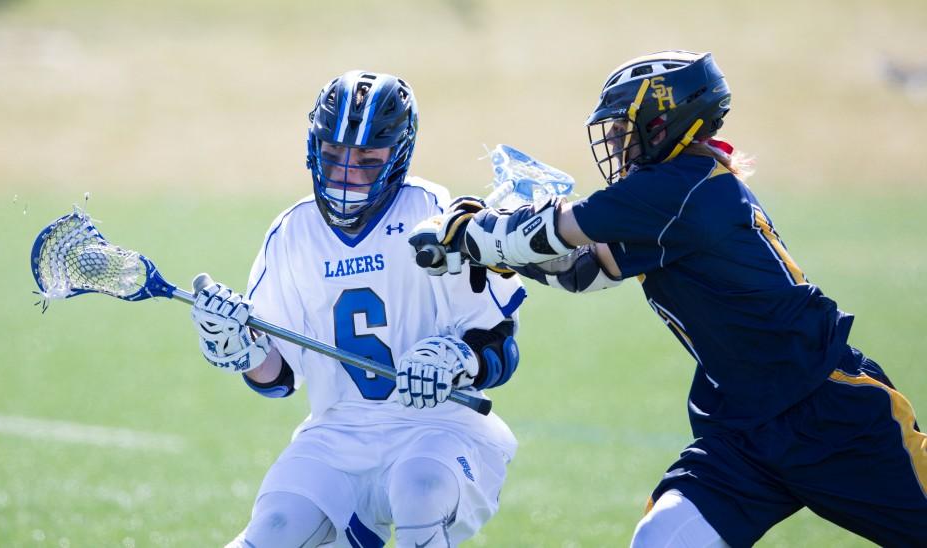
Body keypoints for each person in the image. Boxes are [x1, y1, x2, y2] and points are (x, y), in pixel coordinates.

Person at [410, 51, 927, 547]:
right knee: (662, 538)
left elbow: (553, 230)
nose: (616, 143)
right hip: (740, 425)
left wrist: (467, 230)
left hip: (826, 410)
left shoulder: (679, 188)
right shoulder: (668, 193)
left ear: (662, 122)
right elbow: (583, 269)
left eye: (622, 130)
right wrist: (489, 244)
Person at [190, 70, 525, 548]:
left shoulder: (433, 213)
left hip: (439, 427)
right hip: (337, 431)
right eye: (332, 157)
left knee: (420, 491)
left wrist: (454, 361)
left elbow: (501, 344)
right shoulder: (293, 231)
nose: (346, 175)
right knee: (276, 528)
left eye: (367, 162)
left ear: (398, 155)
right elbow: (280, 378)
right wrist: (240, 348)